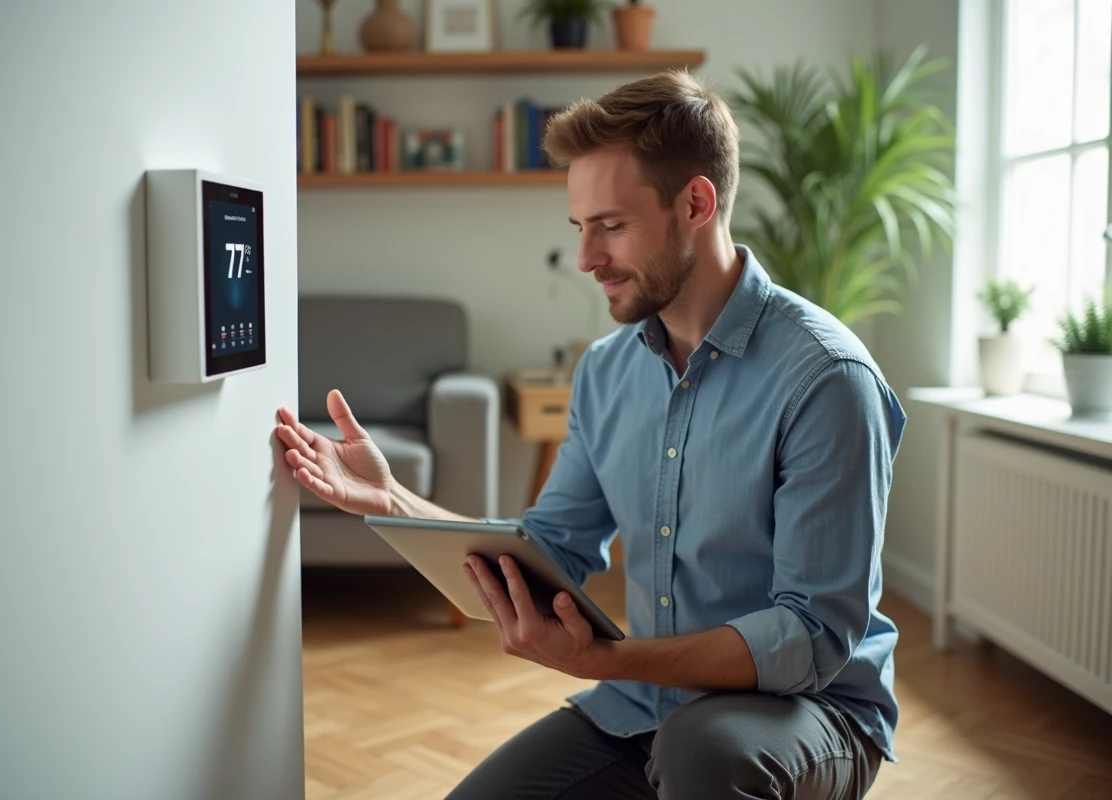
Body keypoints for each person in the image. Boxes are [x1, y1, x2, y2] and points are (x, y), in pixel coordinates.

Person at [276, 69, 905, 800]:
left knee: (706, 753)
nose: (586, 259)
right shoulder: (607, 372)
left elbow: (810, 641)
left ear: (696, 203)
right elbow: (546, 551)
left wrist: (612, 657)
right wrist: (390, 500)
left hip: (809, 712)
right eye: (580, 228)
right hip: (648, 706)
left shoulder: (826, 378)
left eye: (611, 225)